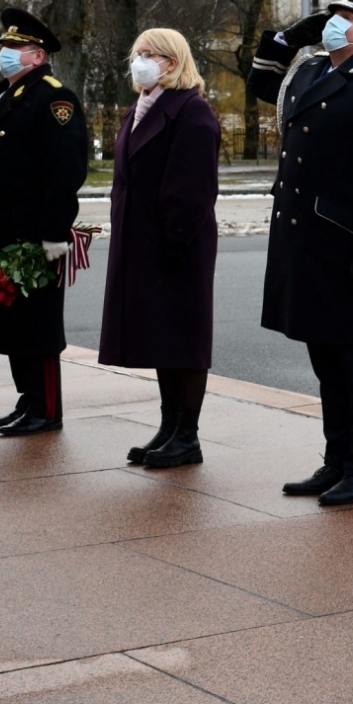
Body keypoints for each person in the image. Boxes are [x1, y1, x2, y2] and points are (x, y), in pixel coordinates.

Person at [245, 0, 353, 506]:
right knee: (324, 358)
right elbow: (259, 83)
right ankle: (335, 459)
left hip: (345, 241)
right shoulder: (311, 69)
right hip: (303, 235)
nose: (334, 21)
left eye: (347, 16)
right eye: (332, 13)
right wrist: (290, 36)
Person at [0, 8, 90, 437]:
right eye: (3, 47)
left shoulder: (53, 98)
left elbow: (64, 174)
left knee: (38, 326)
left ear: (37, 55)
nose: (6, 53)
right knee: (12, 321)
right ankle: (28, 400)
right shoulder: (3, 93)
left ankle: (47, 408)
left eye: (14, 48)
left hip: (34, 232)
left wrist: (52, 240)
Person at [98, 27, 221, 469]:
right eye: (138, 52)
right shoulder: (142, 108)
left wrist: (175, 242)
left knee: (182, 341)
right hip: (144, 245)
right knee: (163, 339)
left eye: (151, 53)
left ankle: (187, 436)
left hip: (177, 246)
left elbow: (193, 189)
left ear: (172, 61)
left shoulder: (192, 111)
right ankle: (170, 428)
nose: (141, 60)